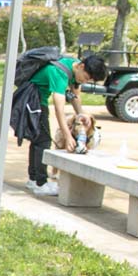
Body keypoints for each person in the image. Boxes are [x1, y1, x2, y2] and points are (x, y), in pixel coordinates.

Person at [25, 53, 107, 196]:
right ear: (81, 66)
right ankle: (40, 183)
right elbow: (59, 109)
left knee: (38, 140)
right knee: (43, 141)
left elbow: (75, 95)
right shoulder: (59, 72)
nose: (85, 81)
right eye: (86, 78)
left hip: (37, 98)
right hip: (32, 100)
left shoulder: (73, 65)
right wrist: (68, 136)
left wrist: (81, 113)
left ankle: (33, 180)